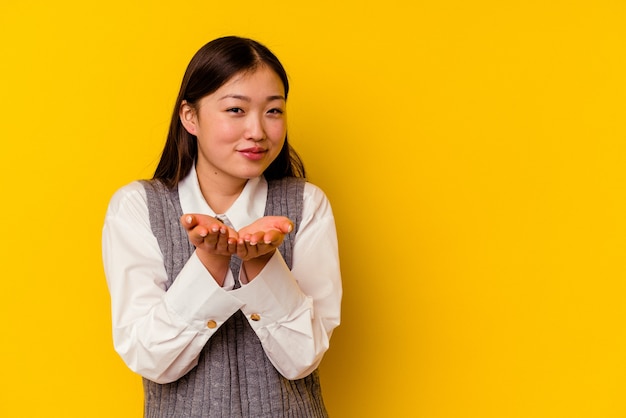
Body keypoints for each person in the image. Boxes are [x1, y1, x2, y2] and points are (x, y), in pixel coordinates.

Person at [102, 36, 342, 417]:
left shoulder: (306, 204)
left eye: (273, 111)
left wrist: (263, 264)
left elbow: (302, 359)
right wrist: (210, 264)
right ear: (190, 117)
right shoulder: (137, 207)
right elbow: (150, 358)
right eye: (235, 109)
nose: (258, 131)